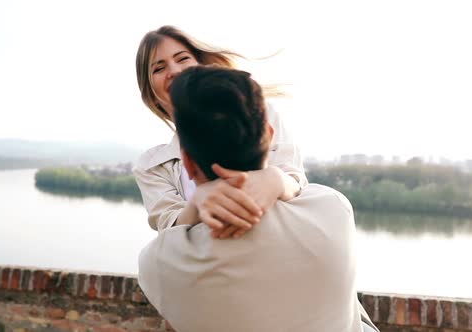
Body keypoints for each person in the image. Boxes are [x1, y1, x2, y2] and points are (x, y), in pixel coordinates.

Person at [138, 66, 378, 332]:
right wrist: (278, 177)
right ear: (270, 135)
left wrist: (196, 203)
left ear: (187, 162)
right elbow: (301, 187)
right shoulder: (333, 210)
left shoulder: (158, 263)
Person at [133, 25, 306, 238]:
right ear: (151, 93)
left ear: (201, 65)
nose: (174, 71)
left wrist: (276, 180)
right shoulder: (153, 165)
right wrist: (197, 203)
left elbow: (297, 184)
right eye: (158, 69)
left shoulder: (260, 114)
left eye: (182, 58)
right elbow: (168, 226)